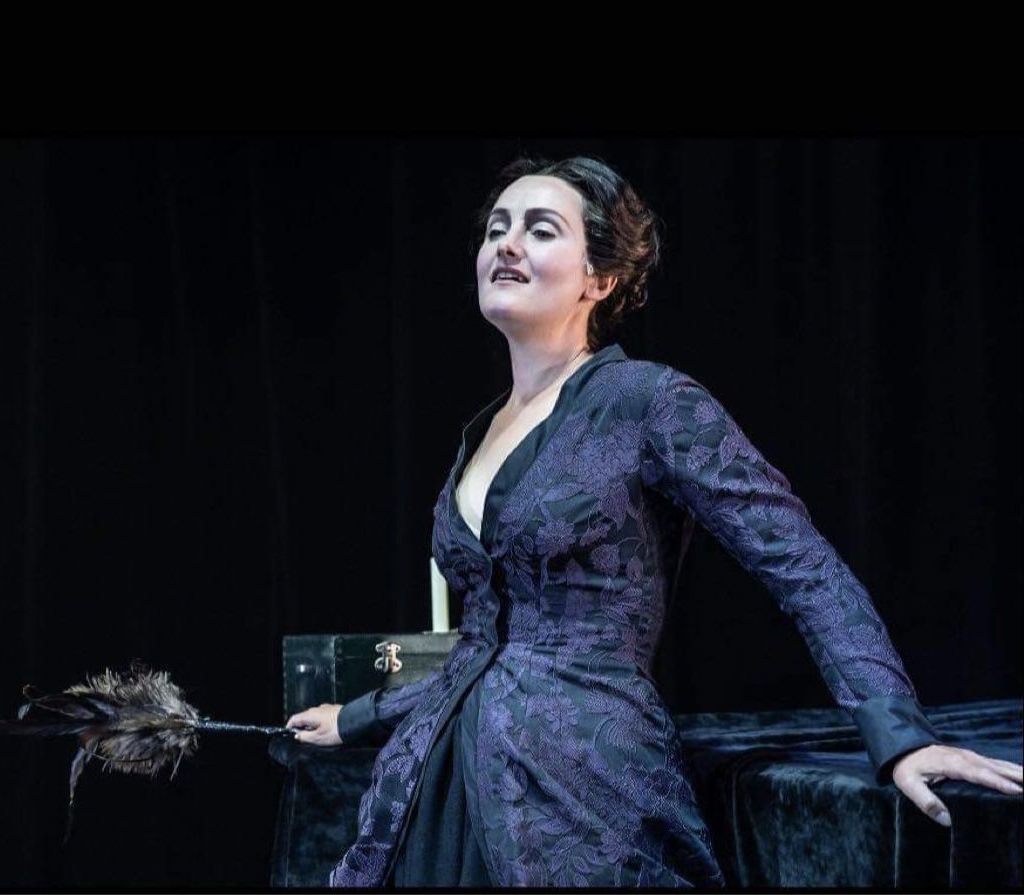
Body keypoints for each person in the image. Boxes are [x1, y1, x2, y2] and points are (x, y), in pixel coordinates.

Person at [286, 155, 1024, 887]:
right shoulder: (479, 433)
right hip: (441, 780)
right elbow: (488, 647)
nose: (506, 244)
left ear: (599, 279)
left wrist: (899, 736)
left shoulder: (648, 402)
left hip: (582, 785)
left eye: (539, 230)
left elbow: (801, 563)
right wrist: (358, 717)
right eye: (496, 228)